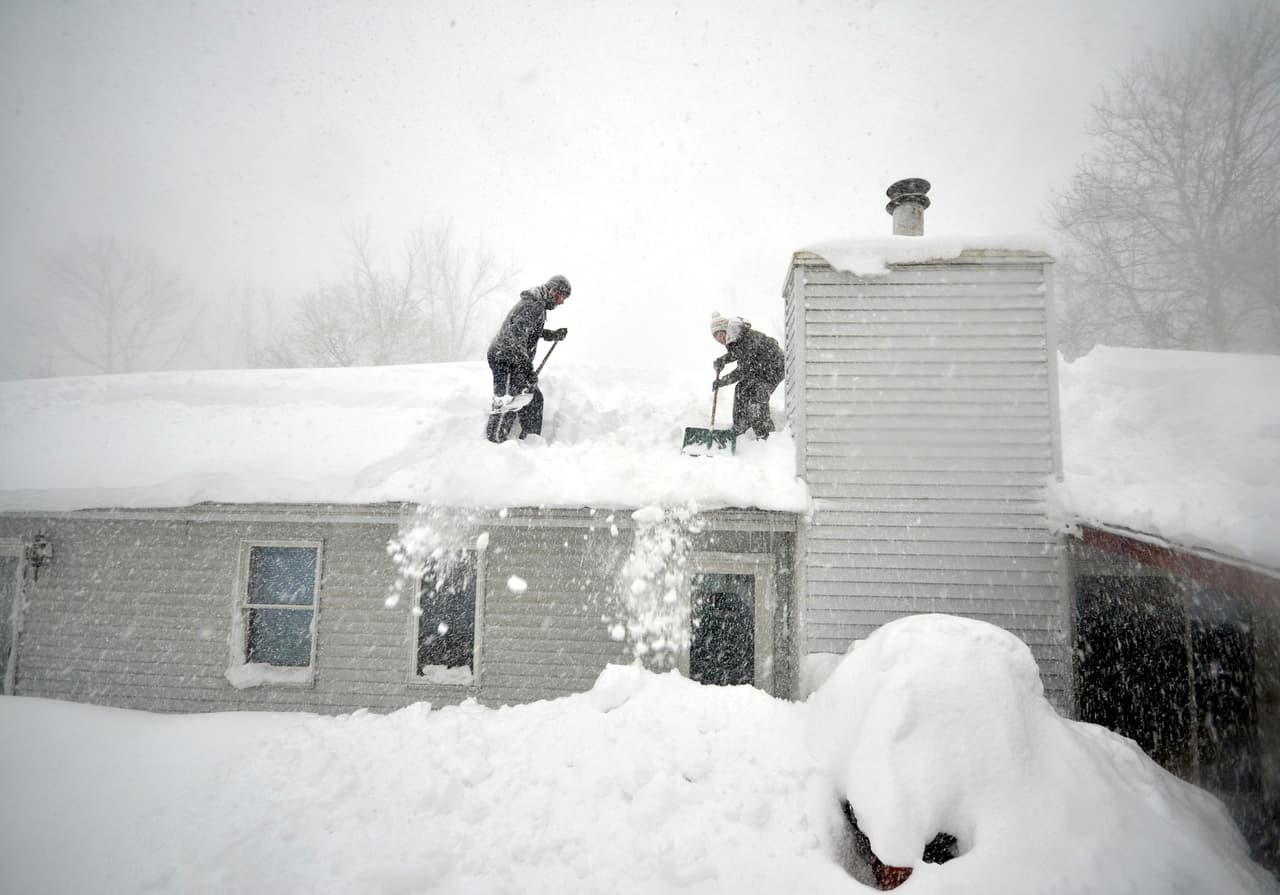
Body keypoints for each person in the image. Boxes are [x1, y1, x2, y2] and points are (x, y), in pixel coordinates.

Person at [485, 275, 571, 443]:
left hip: (513, 359)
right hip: (506, 359)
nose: (562, 302)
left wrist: (551, 334)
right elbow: (516, 338)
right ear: (553, 291)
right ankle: (494, 443)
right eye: (562, 296)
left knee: (533, 399)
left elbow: (529, 330)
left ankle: (531, 442)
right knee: (509, 401)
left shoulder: (537, 303)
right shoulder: (534, 305)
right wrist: (527, 370)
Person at [709, 310, 784, 439]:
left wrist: (722, 381)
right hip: (760, 369)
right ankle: (740, 427)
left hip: (773, 368)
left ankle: (765, 435)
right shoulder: (737, 338)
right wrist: (723, 360)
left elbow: (743, 369)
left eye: (721, 336)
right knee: (741, 389)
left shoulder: (746, 338)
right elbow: (739, 354)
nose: (721, 341)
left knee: (757, 396)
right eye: (717, 340)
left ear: (726, 330)